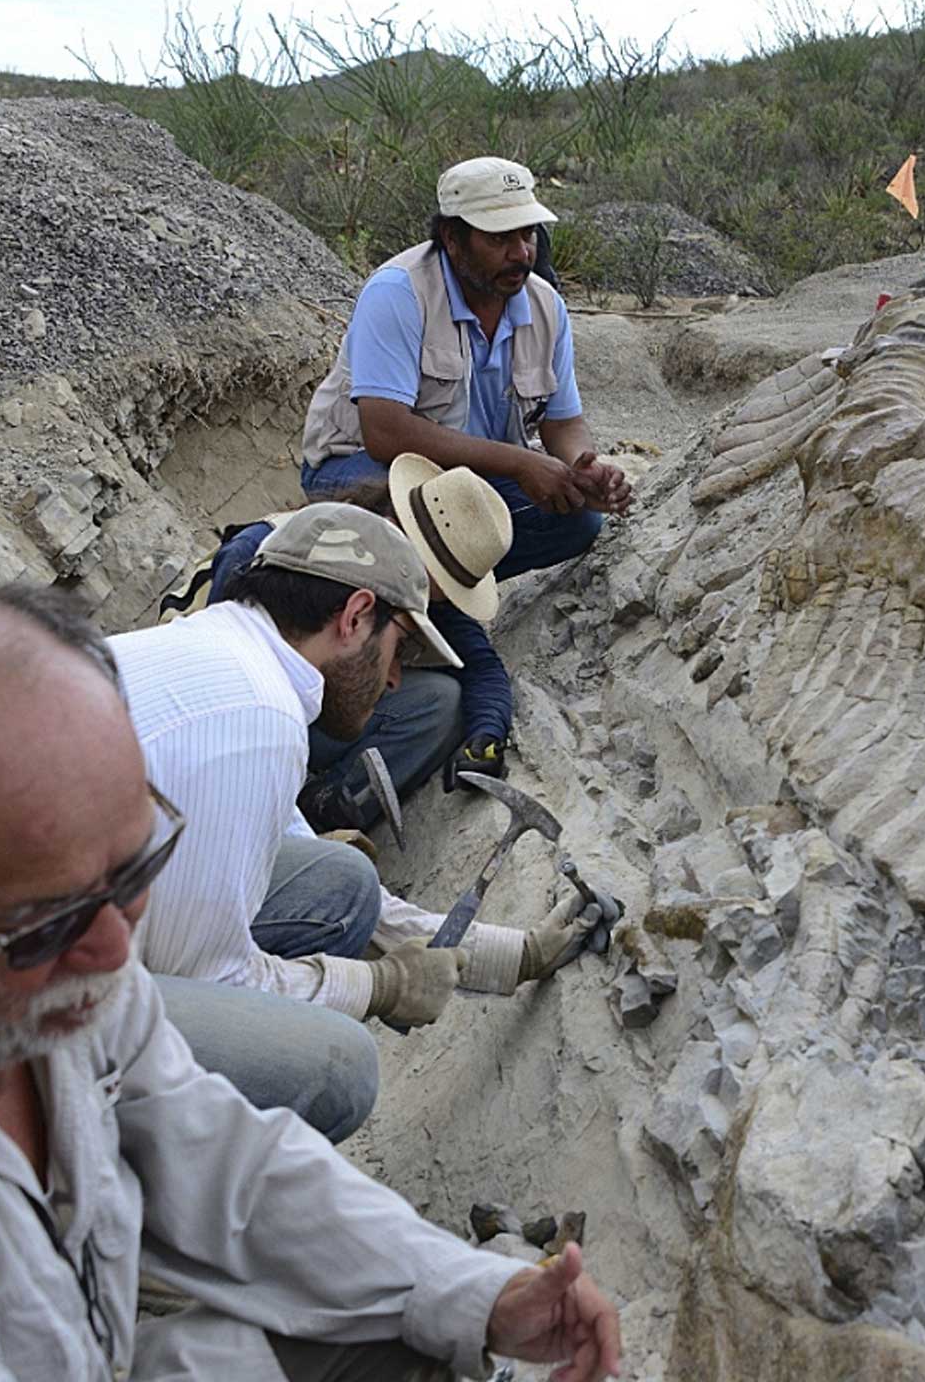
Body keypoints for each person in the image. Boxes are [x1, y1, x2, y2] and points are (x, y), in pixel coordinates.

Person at [0, 581, 622, 1380]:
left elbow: (220, 1152)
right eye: (54, 919)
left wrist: (478, 1294)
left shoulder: (18, 954)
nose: (116, 953)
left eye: (133, 869)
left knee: (417, 1323)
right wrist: (376, 989)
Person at [112, 503, 602, 1144]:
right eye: (399, 648)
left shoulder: (224, 649)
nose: (397, 678)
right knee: (338, 1069)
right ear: (354, 617)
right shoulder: (256, 721)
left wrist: (507, 957)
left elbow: (297, 850)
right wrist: (376, 985)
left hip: (33, 927)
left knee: (339, 879)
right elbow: (209, 979)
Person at [299, 156, 633, 579]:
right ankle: (424, 595)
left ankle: (439, 586)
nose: (521, 253)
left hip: (471, 476)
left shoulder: (545, 305)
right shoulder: (398, 292)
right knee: (440, 515)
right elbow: (385, 433)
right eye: (499, 239)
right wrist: (520, 463)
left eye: (527, 233)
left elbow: (563, 424)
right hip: (357, 466)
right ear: (452, 239)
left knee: (577, 521)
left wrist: (582, 470)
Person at [201, 457, 519, 836]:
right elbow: (218, 684)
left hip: (308, 715)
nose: (394, 680)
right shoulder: (265, 550)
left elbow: (481, 668)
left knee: (441, 700)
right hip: (233, 719)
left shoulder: (423, 590)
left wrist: (486, 732)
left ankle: (323, 808)